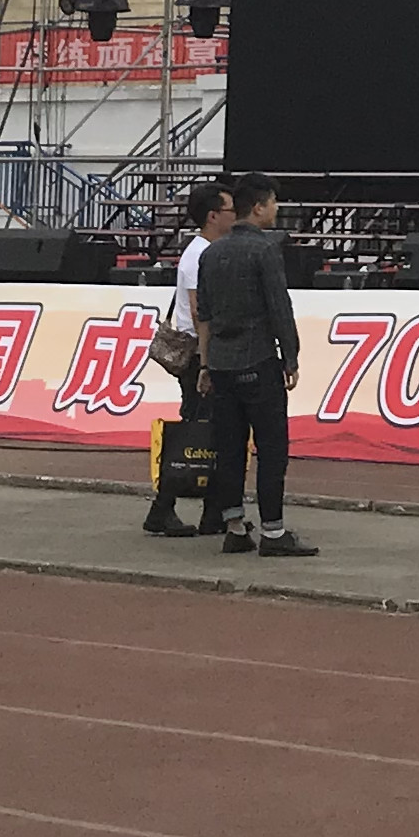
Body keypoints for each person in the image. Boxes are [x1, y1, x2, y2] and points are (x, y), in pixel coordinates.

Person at [194, 174, 316, 560]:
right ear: (259, 207)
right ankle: (273, 531)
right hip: (258, 359)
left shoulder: (210, 254)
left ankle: (234, 526)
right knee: (271, 448)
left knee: (229, 449)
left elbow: (204, 314)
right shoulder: (265, 250)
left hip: (221, 364)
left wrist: (205, 365)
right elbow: (279, 307)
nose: (276, 209)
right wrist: (291, 356)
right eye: (273, 202)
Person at [146, 180, 232, 539]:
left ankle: (212, 510)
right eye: (229, 210)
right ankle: (163, 506)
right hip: (198, 354)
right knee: (195, 428)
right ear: (213, 215)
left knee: (209, 429)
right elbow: (199, 311)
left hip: (201, 352)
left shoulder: (202, 251)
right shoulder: (199, 256)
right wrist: (208, 362)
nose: (234, 215)